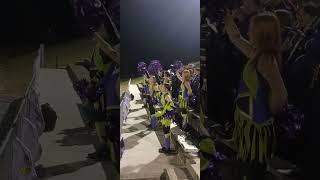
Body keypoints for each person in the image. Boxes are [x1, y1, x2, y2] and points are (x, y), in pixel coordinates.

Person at [224, 10, 288, 179]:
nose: (248, 32)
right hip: (248, 125)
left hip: (256, 131)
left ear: (262, 35)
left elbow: (281, 94)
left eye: (252, 30)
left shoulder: (266, 60)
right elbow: (236, 38)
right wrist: (227, 18)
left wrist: (268, 110)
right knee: (247, 168)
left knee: (253, 171)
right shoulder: (258, 54)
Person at [156, 79, 176, 154]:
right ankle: (167, 147)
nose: (161, 87)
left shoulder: (166, 95)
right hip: (164, 115)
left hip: (166, 116)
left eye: (163, 87)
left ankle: (168, 148)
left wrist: (165, 110)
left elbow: (171, 103)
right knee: (165, 132)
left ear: (166, 88)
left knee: (166, 132)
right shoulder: (164, 94)